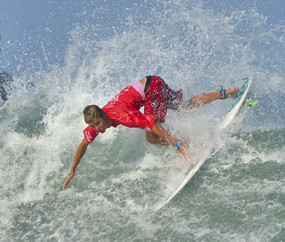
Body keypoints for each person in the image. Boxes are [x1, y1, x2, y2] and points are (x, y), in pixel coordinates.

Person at [62, 76, 240, 190]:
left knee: (151, 136)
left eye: (98, 123)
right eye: (94, 126)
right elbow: (83, 144)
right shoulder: (98, 123)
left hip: (151, 89)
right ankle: (226, 93)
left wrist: (179, 146)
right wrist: (72, 171)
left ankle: (187, 145)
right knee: (183, 105)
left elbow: (153, 125)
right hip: (152, 82)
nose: (98, 129)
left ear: (103, 114)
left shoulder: (122, 116)